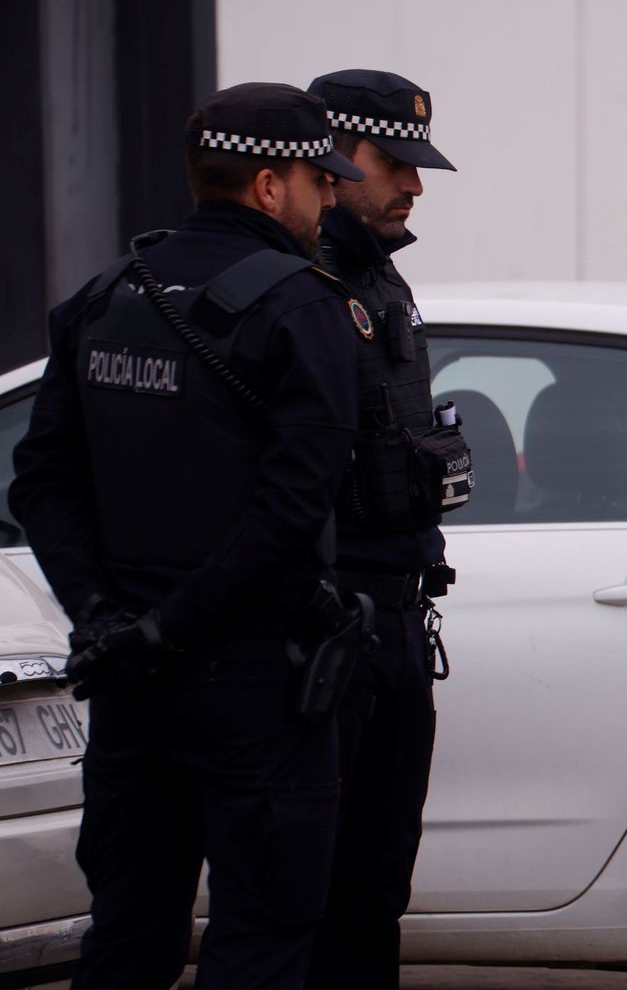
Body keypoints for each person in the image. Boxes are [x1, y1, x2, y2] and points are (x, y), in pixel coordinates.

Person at [8, 82, 366, 989]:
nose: (330, 199)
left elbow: (41, 481)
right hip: (253, 681)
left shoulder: (105, 296)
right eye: (320, 181)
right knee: (264, 936)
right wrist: (177, 624)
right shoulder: (302, 307)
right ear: (270, 186)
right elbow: (293, 506)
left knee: (128, 934)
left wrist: (103, 614)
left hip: (128, 676)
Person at [301, 68, 462, 990]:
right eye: (394, 161)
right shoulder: (299, 284)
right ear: (330, 156)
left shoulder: (377, 276)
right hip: (330, 626)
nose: (413, 185)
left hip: (396, 621)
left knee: (375, 885)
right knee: (313, 893)